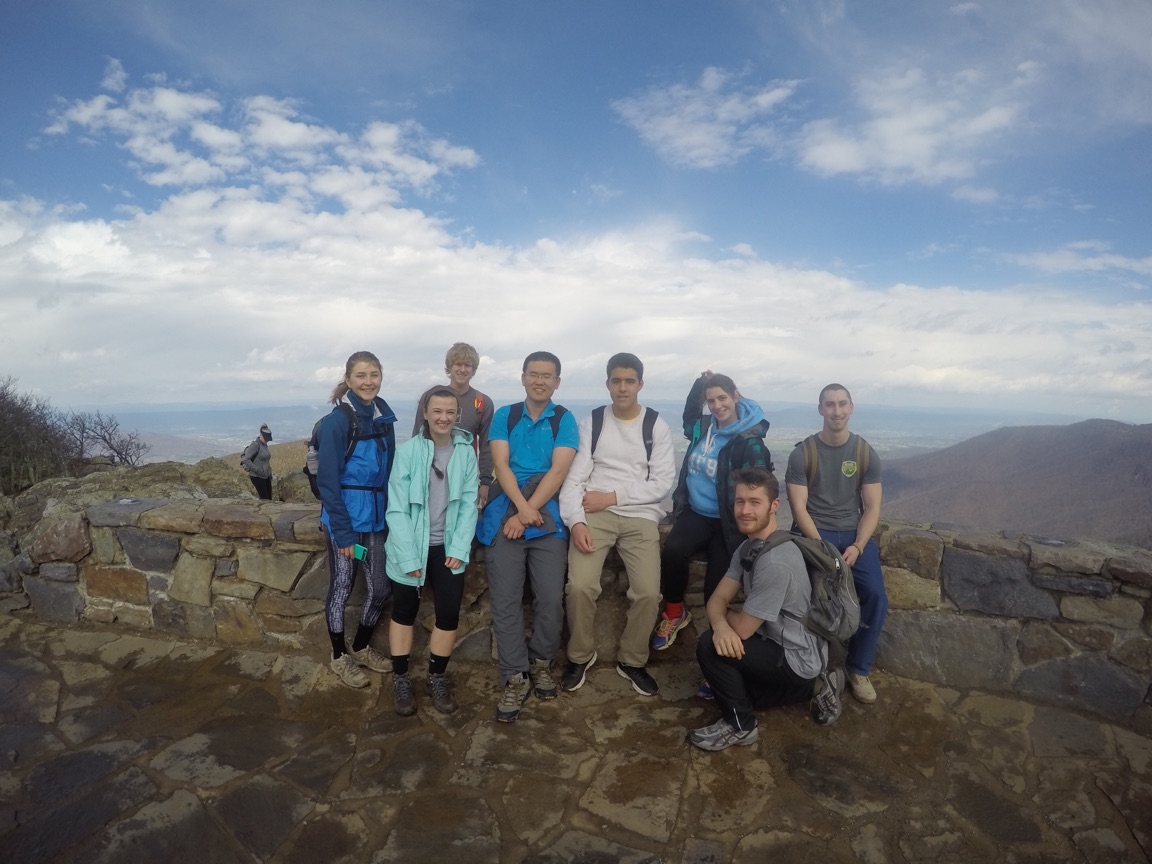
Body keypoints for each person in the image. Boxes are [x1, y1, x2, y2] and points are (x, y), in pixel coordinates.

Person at [689, 468, 842, 751]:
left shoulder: (775, 562)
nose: (745, 510)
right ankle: (819, 686)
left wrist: (722, 625)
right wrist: (722, 625)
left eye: (754, 502)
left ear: (774, 506)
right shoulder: (750, 547)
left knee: (711, 647)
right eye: (740, 501)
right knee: (731, 673)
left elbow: (744, 629)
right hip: (780, 642)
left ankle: (740, 726)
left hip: (796, 656)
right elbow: (716, 598)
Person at [558, 353, 676, 696]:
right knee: (579, 586)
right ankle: (580, 655)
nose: (622, 387)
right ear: (608, 383)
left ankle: (632, 660)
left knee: (649, 592)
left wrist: (612, 496)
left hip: (639, 514)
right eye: (616, 381)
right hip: (594, 514)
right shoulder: (592, 423)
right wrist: (576, 522)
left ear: (640, 384)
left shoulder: (656, 425)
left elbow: (662, 483)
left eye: (629, 381)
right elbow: (574, 479)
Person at [476, 351, 578, 722]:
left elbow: (559, 470)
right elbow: (500, 465)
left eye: (547, 376)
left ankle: (540, 662)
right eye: (533, 374)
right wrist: (521, 510)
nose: (539, 381)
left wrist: (528, 511)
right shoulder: (506, 415)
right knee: (505, 601)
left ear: (557, 382)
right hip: (507, 514)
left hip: (547, 519)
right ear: (522, 378)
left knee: (550, 599)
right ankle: (514, 675)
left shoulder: (564, 420)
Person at [651, 372, 771, 667]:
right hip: (696, 513)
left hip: (729, 523)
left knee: (715, 588)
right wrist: (698, 384)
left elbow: (760, 486)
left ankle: (717, 659)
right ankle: (675, 612)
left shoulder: (749, 442)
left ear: (735, 396)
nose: (717, 406)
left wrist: (761, 529)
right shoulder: (702, 427)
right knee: (674, 551)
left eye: (722, 398)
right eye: (711, 400)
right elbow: (689, 414)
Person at [785, 383, 886, 704]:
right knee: (809, 597)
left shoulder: (864, 453)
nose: (837, 411)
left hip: (852, 534)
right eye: (830, 405)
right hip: (815, 533)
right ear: (820, 410)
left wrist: (858, 545)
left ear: (851, 407)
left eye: (842, 404)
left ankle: (858, 669)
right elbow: (799, 508)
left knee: (875, 595)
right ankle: (812, 668)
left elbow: (872, 508)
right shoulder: (803, 453)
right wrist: (822, 549)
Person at [385, 388, 479, 715]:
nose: (443, 418)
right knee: (404, 612)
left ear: (457, 415)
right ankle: (400, 678)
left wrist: (459, 546)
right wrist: (409, 556)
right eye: (436, 411)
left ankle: (436, 676)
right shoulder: (408, 451)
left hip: (448, 548)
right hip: (409, 547)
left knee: (449, 614)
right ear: (424, 412)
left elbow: (468, 503)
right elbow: (396, 508)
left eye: (449, 412)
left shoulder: (466, 452)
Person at [316, 351, 397, 689]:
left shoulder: (383, 416)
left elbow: (390, 470)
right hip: (345, 522)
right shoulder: (338, 421)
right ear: (348, 380)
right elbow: (328, 483)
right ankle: (339, 657)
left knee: (380, 586)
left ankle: (361, 646)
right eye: (361, 375)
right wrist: (344, 533)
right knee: (342, 588)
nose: (368, 382)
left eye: (374, 374)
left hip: (377, 519)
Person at [413, 342, 494, 507]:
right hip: (430, 470)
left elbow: (486, 445)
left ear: (474, 369)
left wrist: (485, 481)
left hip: (465, 475)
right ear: (449, 367)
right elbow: (417, 435)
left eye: (468, 365)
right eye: (458, 364)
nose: (462, 370)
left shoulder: (482, 403)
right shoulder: (431, 397)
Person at [240, 424, 273, 500]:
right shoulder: (255, 445)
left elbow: (266, 461)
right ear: (261, 435)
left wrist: (269, 473)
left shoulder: (264, 445)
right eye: (265, 439)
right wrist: (257, 470)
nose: (267, 440)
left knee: (269, 499)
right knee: (264, 498)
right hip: (257, 476)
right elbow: (246, 459)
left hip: (266, 476)